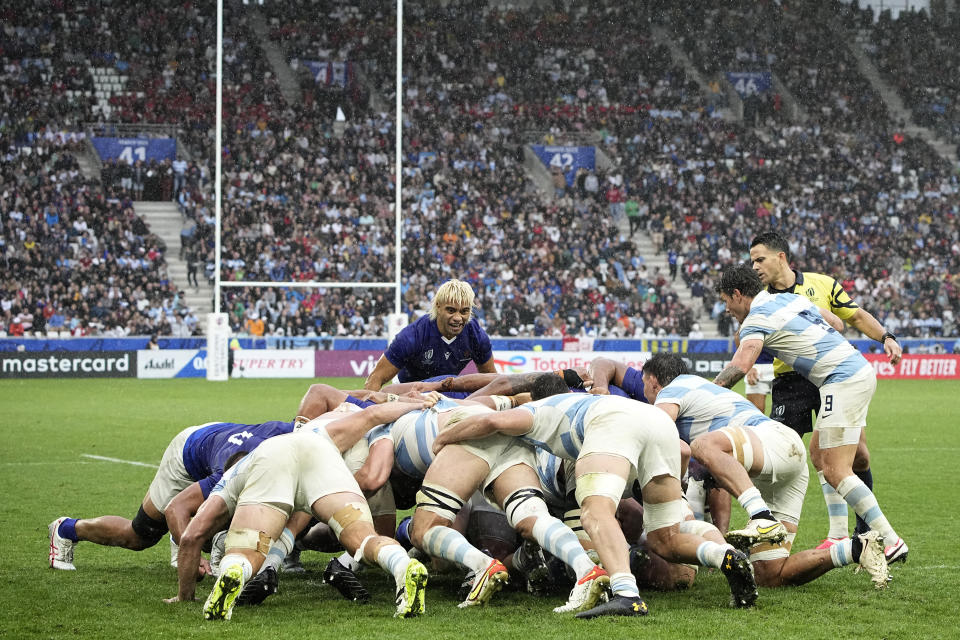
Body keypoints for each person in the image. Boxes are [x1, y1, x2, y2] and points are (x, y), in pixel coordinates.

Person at [432, 375, 759, 617]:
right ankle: (724, 556)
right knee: (665, 537)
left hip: (611, 425)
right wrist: (666, 487)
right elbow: (684, 450)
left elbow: (490, 420)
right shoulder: (581, 400)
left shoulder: (537, 410)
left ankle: (627, 594)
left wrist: (444, 437)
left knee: (594, 512)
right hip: (659, 427)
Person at [166, 399, 436, 620]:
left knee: (247, 549)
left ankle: (234, 570)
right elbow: (374, 414)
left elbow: (191, 537)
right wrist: (416, 402)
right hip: (320, 454)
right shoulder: (316, 430)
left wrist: (184, 595)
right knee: (362, 537)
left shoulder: (235, 475)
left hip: (271, 463)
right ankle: (403, 566)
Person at [712, 263, 908, 567]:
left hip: (842, 380)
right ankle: (840, 534)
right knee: (818, 453)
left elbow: (741, 363)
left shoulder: (755, 320)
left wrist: (708, 392)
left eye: (726, 300)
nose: (726, 309)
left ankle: (889, 540)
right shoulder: (791, 299)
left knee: (836, 469)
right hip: (850, 372)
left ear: (738, 294)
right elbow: (837, 324)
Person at [640, 353, 889, 589]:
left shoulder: (672, 389)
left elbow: (657, 432)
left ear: (653, 382)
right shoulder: (700, 393)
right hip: (785, 463)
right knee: (770, 574)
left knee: (703, 445)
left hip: (774, 441)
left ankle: (761, 517)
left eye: (643, 385)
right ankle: (856, 549)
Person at [750, 231, 902, 546]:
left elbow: (854, 316)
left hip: (833, 375)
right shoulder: (761, 299)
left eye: (760, 259)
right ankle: (772, 529)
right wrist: (754, 364)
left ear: (781, 257)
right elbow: (754, 338)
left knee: (857, 455)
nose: (754, 267)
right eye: (751, 261)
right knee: (778, 454)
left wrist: (886, 336)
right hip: (790, 383)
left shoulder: (822, 284)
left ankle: (864, 531)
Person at [407, 403, 612, 613]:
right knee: (531, 516)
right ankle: (586, 569)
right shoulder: (477, 400)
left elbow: (373, 478)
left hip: (469, 429)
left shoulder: (386, 419)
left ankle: (482, 566)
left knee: (423, 530)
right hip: (512, 435)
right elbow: (509, 391)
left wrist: (441, 433)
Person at [48, 419, 297, 572]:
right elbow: (175, 509)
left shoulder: (292, 437)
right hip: (187, 453)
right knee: (139, 536)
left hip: (219, 439)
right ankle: (67, 529)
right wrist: (193, 552)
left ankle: (193, 538)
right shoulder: (229, 475)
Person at [364, 279, 495, 390]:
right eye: (451, 310)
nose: (458, 318)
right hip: (408, 391)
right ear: (438, 306)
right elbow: (375, 378)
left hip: (445, 391)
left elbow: (492, 381)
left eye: (464, 311)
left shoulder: (476, 336)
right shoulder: (413, 336)